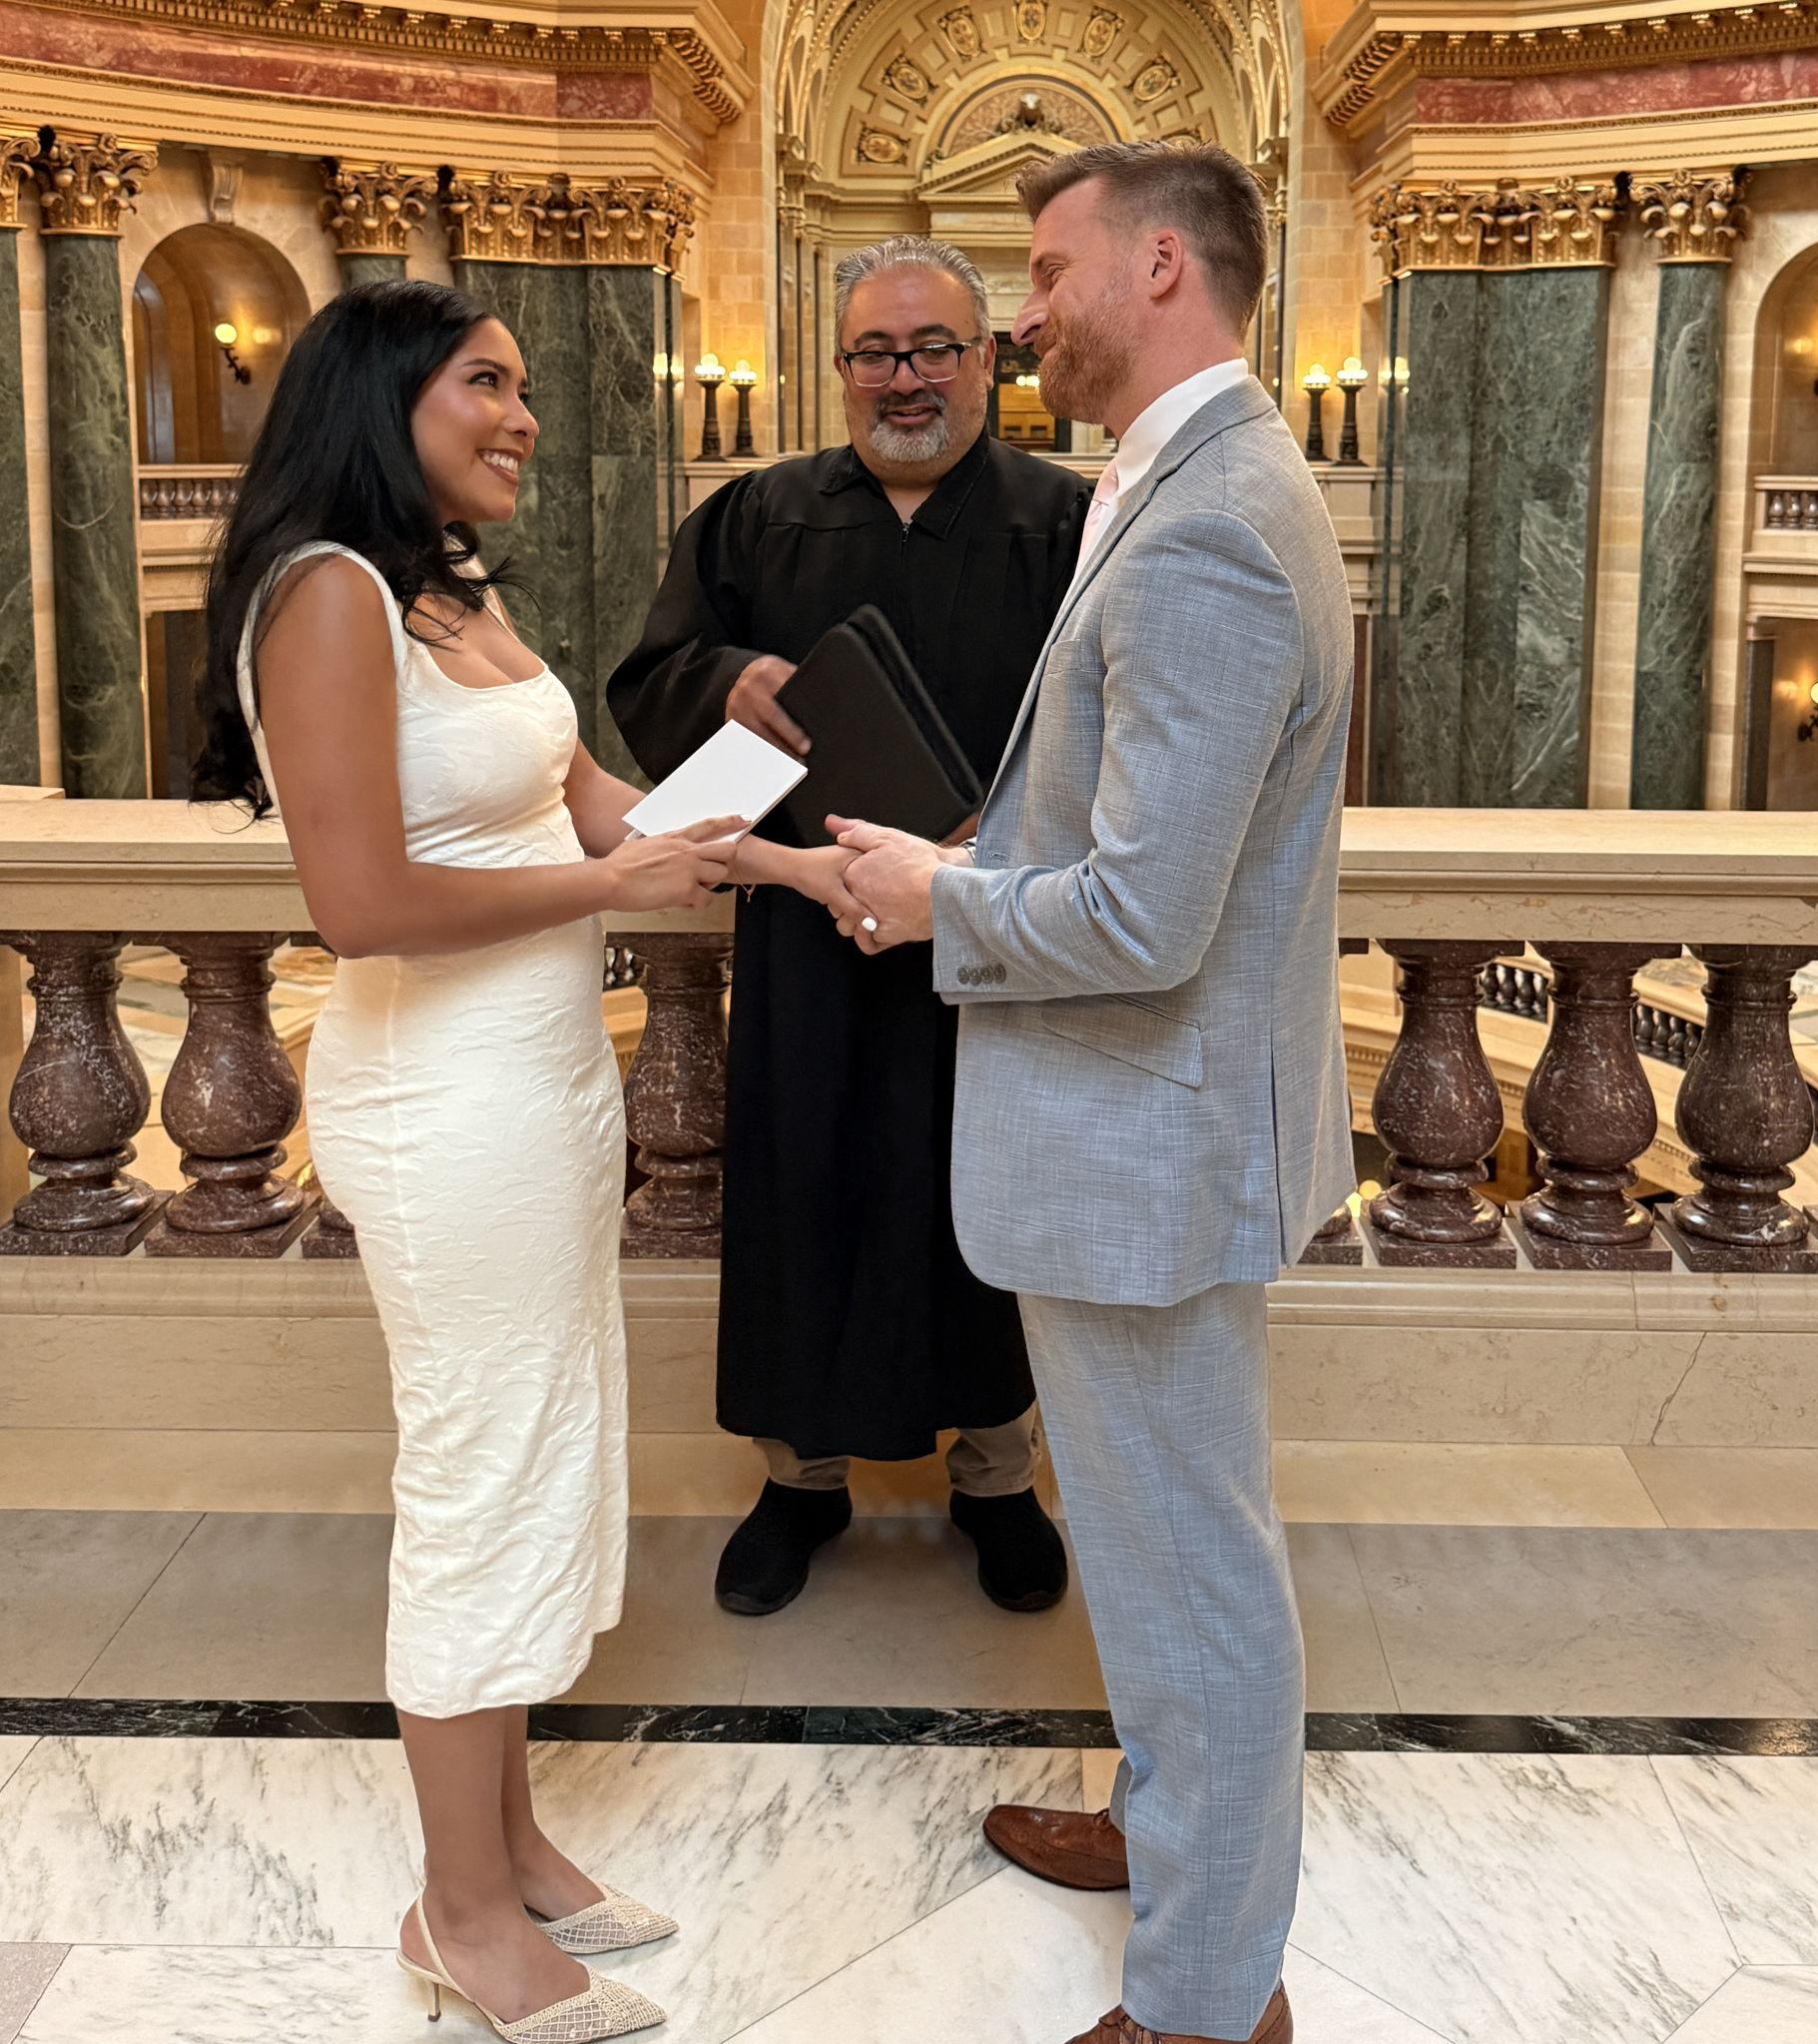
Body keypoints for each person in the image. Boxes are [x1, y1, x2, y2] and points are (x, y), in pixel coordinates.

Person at [829, 143, 1355, 2044]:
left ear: (1157, 266)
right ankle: (1167, 1821)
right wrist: (966, 848)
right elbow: (1123, 832)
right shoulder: (1193, 478)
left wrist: (939, 900)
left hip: (1149, 1147)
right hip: (1148, 1137)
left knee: (1196, 1568)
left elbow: (1142, 917)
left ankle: (1212, 1999)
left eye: (1045, 273)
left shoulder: (1212, 518)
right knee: (1151, 1541)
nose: (1024, 311)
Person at [193, 280, 739, 2043]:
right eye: (484, 385)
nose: (522, 414)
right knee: (479, 1475)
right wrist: (619, 889)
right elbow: (356, 905)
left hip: (544, 1084)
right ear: (384, 398)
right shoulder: (327, 593)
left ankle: (509, 1844)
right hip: (439, 1104)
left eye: (520, 384)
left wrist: (786, 847)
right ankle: (455, 1916)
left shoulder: (448, 590)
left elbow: (598, 806)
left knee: (548, 1448)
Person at [607, 236, 1088, 1618]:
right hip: (812, 942)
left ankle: (998, 1477)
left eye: (935, 347)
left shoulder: (1064, 523)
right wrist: (726, 678)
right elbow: (648, 680)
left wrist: (990, 850)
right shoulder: (755, 519)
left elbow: (1115, 718)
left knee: (982, 1213)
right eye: (875, 353)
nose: (905, 378)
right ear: (838, 368)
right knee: (803, 1196)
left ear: (989, 358)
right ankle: (797, 1480)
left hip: (991, 941)